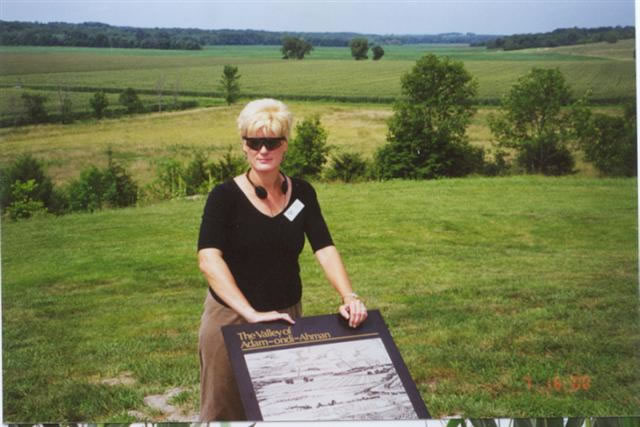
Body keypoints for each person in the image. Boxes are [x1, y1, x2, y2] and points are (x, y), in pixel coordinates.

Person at [197, 98, 367, 421]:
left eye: (272, 142)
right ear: (244, 146)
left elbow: (324, 248)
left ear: (285, 144)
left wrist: (349, 296)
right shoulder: (224, 197)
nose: (263, 150)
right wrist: (250, 313)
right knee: (225, 414)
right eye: (254, 142)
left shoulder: (302, 193)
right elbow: (208, 259)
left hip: (287, 316)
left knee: (281, 407)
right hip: (231, 318)